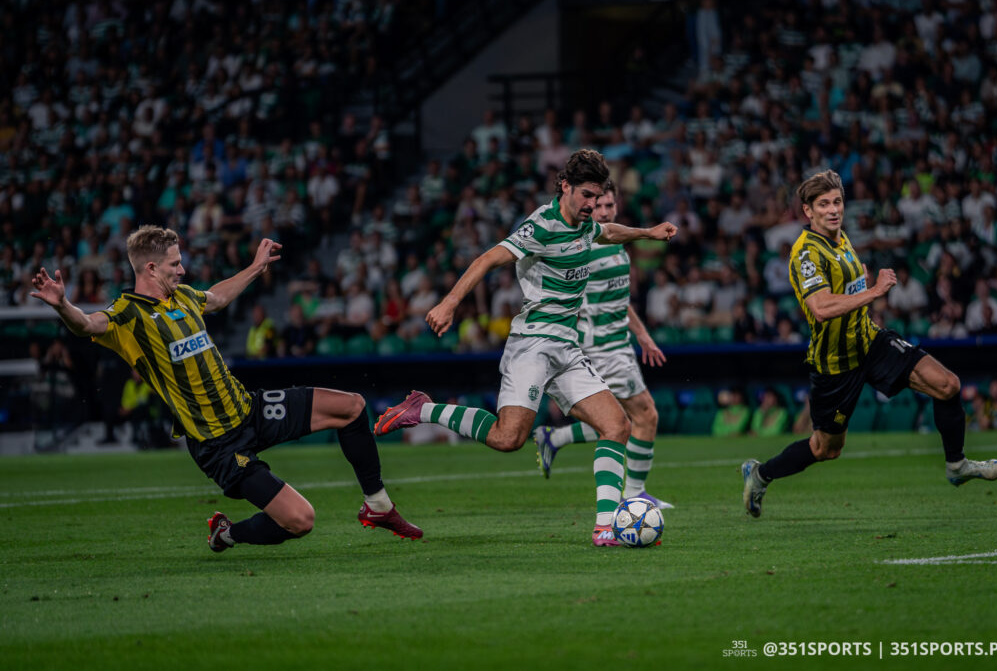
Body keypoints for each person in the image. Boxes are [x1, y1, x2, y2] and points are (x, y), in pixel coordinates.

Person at [31, 226, 421, 552]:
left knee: (352, 406)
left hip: (248, 409)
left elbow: (216, 298)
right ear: (150, 268)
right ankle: (227, 534)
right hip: (218, 444)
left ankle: (377, 505)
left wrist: (256, 267)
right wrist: (62, 305)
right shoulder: (128, 315)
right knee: (301, 520)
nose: (182, 269)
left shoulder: (183, 297)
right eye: (175, 264)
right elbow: (88, 324)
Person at [372, 150, 676, 546]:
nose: (591, 204)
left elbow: (608, 232)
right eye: (586, 195)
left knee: (617, 426)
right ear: (565, 187)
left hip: (567, 348)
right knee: (507, 438)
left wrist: (648, 232)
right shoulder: (541, 226)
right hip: (532, 344)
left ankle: (606, 527)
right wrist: (449, 303)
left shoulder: (586, 224)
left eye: (597, 196)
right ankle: (422, 409)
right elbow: (487, 259)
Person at [741, 170, 997, 518]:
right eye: (824, 204)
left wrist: (860, 285)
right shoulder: (805, 253)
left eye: (837, 202)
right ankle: (760, 475)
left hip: (869, 341)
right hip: (835, 363)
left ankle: (956, 465)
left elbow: (845, 289)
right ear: (808, 211)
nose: (833, 210)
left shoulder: (841, 237)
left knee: (947, 385)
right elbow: (821, 308)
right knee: (825, 448)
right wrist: (874, 291)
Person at [531, 181, 673, 510]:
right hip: (600, 348)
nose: (605, 212)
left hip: (619, 342)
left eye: (610, 205)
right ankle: (634, 494)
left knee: (619, 419)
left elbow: (618, 299)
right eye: (599, 207)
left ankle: (555, 437)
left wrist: (642, 334)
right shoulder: (585, 243)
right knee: (644, 415)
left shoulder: (614, 241)